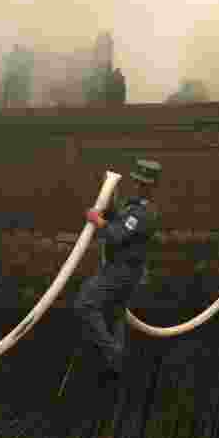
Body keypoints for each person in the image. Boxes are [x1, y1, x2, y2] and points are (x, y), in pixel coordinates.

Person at [75, 159, 162, 385]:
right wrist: (109, 198)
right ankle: (117, 367)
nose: (139, 186)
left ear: (151, 186)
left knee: (86, 303)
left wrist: (97, 221)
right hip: (122, 270)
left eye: (143, 183)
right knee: (115, 314)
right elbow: (118, 218)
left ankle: (114, 353)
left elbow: (117, 234)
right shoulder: (133, 205)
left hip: (121, 272)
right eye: (138, 182)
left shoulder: (144, 212)